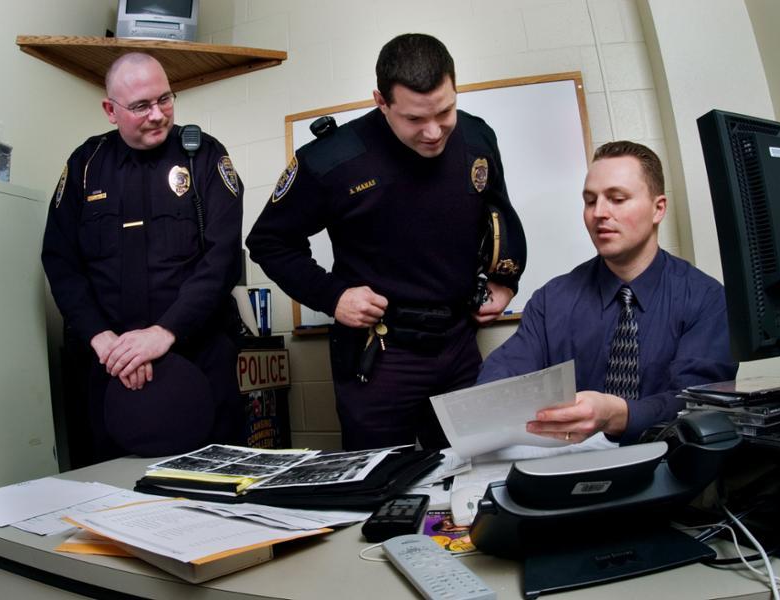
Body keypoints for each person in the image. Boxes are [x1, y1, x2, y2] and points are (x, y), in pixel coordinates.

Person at [246, 33, 526, 450]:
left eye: (445, 111)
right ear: (381, 101)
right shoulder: (331, 160)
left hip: (457, 342)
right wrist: (332, 295)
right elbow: (268, 241)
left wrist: (505, 281)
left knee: (471, 469)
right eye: (414, 119)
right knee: (378, 481)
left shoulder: (477, 136)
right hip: (379, 352)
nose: (434, 132)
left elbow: (499, 210)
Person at [42, 52, 244, 462]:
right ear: (110, 110)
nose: (157, 115)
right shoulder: (87, 164)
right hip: (110, 367)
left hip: (196, 358)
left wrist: (162, 334)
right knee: (113, 496)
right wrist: (104, 341)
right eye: (140, 106)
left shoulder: (203, 155)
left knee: (215, 488)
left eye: (164, 99)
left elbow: (220, 260)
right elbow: (61, 261)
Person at [477, 141, 737, 446]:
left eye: (617, 199)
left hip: (671, 473)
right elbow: (503, 377)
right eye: (590, 201)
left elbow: (699, 404)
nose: (599, 213)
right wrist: (487, 403)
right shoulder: (552, 300)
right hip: (569, 474)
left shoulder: (705, 299)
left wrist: (620, 415)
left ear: (658, 208)